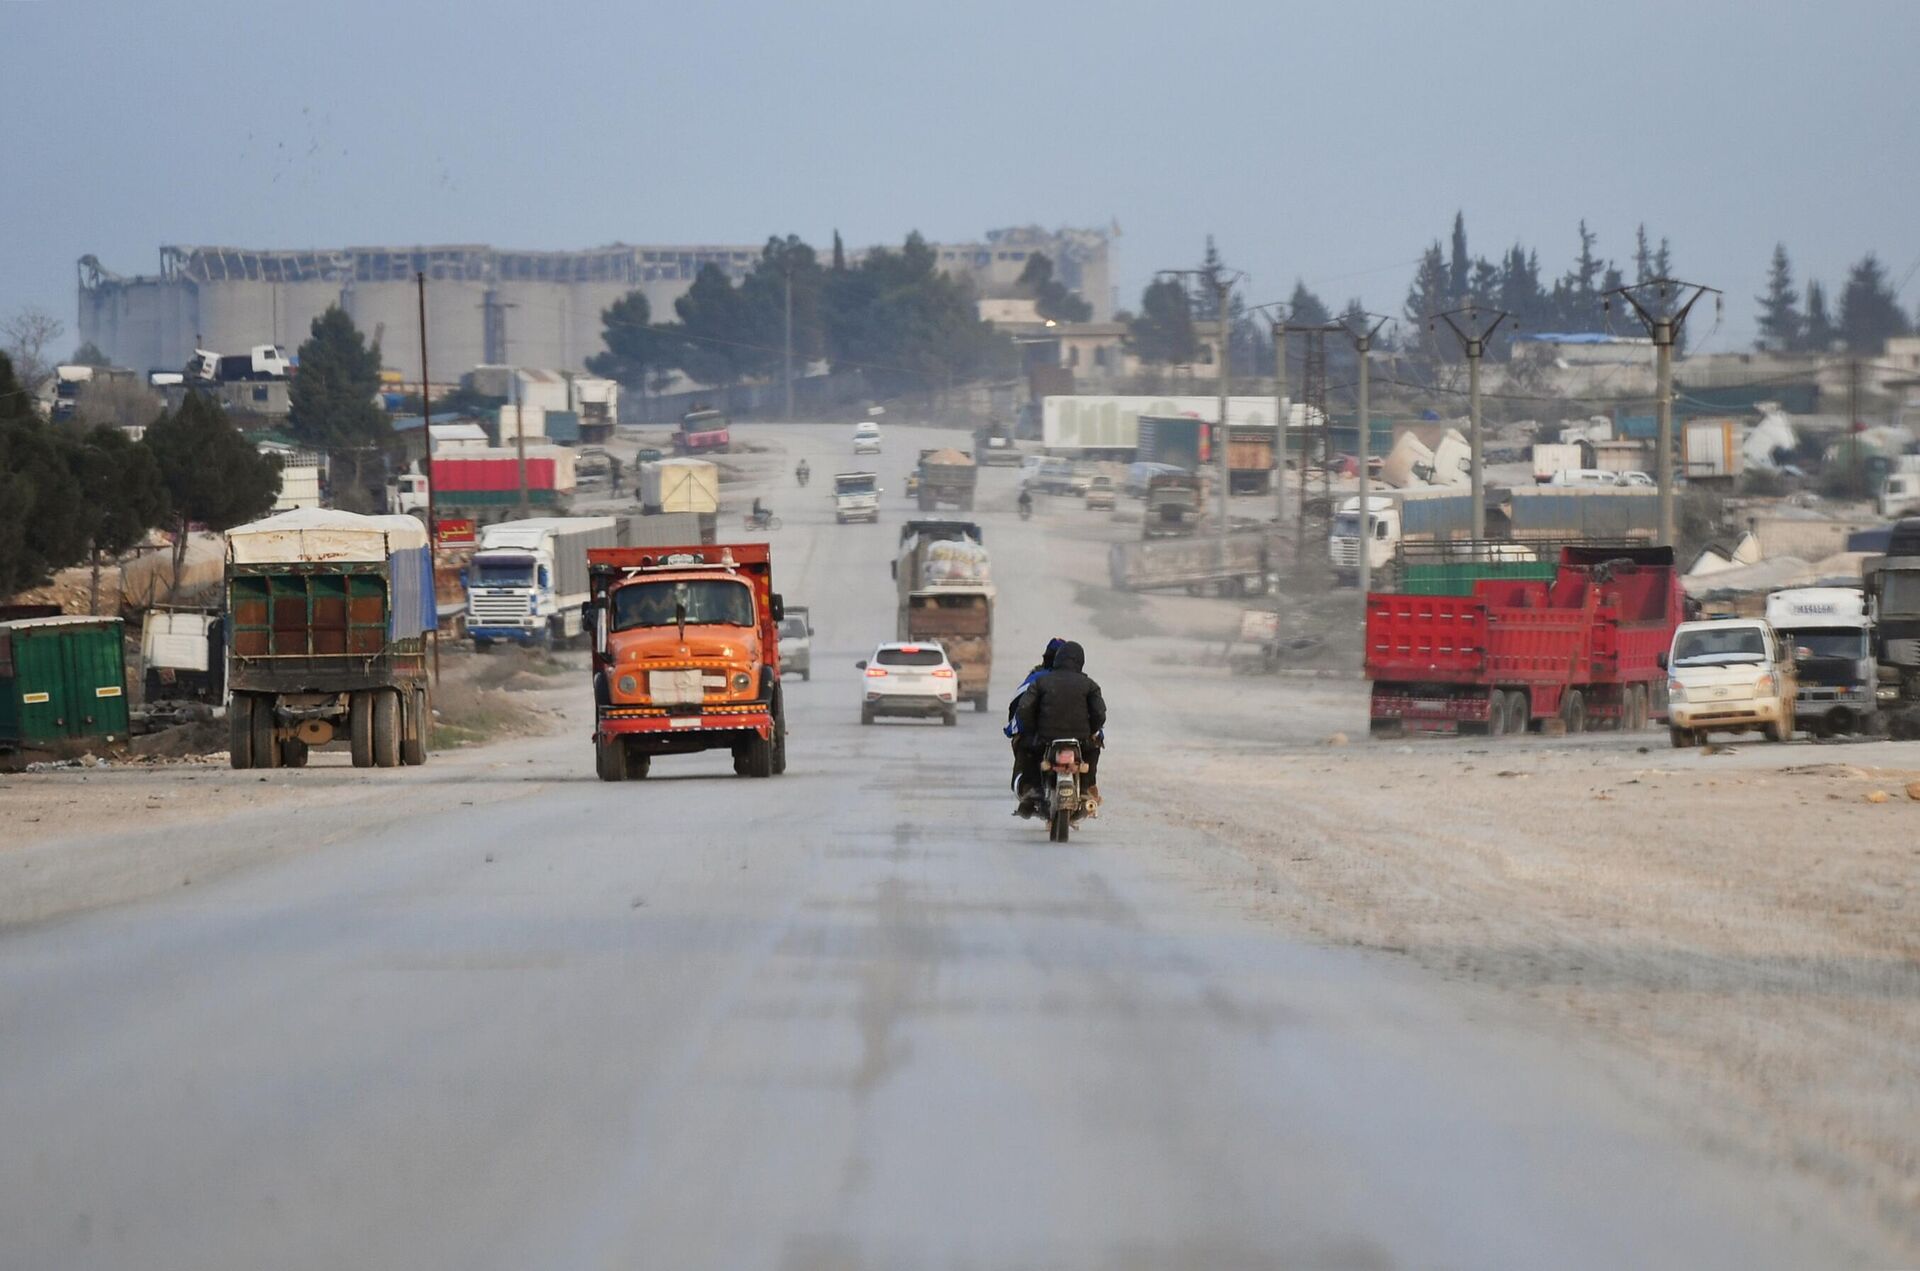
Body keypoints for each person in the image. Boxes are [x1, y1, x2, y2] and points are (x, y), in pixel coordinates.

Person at [1013, 639, 1106, 814]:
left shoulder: (1041, 682)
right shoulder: (1090, 685)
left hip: (1046, 737)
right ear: (1080, 661)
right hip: (1080, 739)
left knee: (1029, 750)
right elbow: (1099, 714)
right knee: (1094, 749)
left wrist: (1033, 731)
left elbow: (1024, 708)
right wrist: (1091, 731)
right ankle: (1086, 788)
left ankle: (1033, 789)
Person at [1005, 637, 1064, 813]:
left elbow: (1017, 706)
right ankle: (1087, 789)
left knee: (1025, 748)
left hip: (1041, 735)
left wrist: (1013, 728)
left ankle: (1028, 787)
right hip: (1076, 735)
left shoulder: (1036, 679)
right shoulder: (1080, 680)